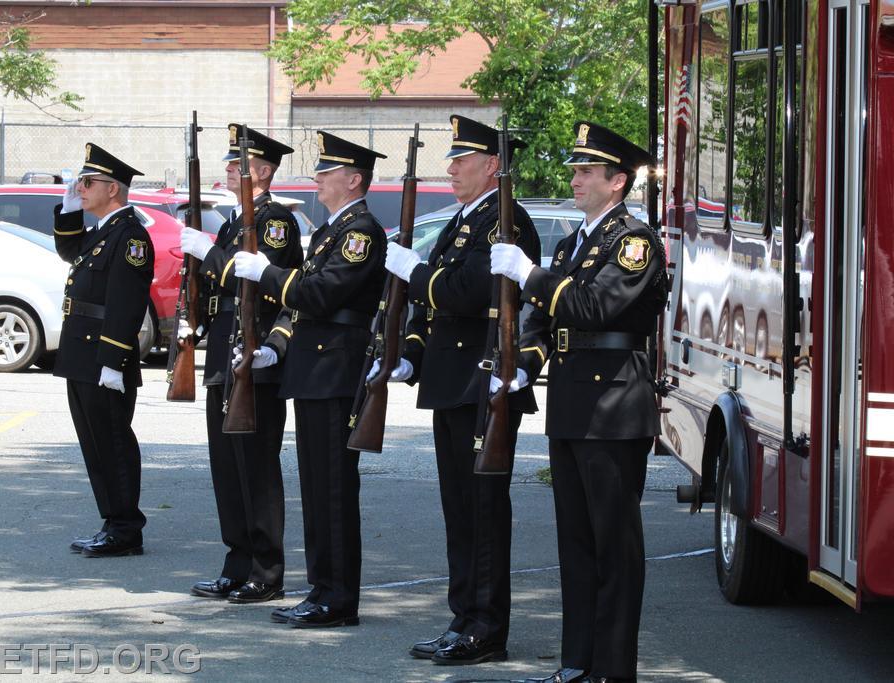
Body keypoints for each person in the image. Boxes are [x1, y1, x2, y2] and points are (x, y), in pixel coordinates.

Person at [489, 121, 668, 683]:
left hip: (614, 407)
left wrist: (532, 274)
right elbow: (546, 326)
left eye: (587, 171)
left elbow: (592, 310)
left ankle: (612, 671)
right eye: (576, 169)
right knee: (577, 547)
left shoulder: (634, 242)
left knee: (614, 550)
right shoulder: (574, 242)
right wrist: (523, 363)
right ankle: (577, 664)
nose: (576, 178)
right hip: (572, 405)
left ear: (617, 182)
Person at [382, 115, 541, 665]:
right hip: (452, 382)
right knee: (459, 508)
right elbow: (434, 310)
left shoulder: (505, 222)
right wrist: (411, 355)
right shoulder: (462, 221)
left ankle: (487, 627)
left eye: (462, 159)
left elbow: (463, 292)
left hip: (484, 382)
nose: (450, 169)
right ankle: (463, 618)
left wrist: (415, 269)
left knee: (483, 509)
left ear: (491, 166)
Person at [231, 131, 387, 628]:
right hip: (316, 369)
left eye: (327, 170)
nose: (317, 177)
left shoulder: (361, 232)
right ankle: (323, 589)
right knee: (317, 489)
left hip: (336, 370)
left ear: (354, 179)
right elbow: (308, 300)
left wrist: (267, 275)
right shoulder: (330, 231)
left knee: (334, 489)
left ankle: (338, 598)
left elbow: (319, 295)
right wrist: (274, 345)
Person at [178, 125, 303, 603]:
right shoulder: (234, 223)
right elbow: (220, 291)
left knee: (257, 467)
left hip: (256, 356)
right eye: (230, 162)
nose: (229, 169)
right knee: (226, 468)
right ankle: (236, 562)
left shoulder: (274, 223)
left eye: (239, 163)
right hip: (222, 355)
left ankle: (266, 571)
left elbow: (258, 283)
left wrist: (207, 253)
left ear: (264, 172)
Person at [55, 143, 153, 558]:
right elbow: (69, 252)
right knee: (94, 443)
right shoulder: (104, 230)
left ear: (112, 189)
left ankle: (126, 527)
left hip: (102, 356)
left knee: (112, 441)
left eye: (87, 183)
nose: (82, 187)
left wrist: (113, 361)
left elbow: (127, 304)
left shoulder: (130, 236)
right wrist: (69, 211)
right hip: (81, 353)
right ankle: (112, 521)